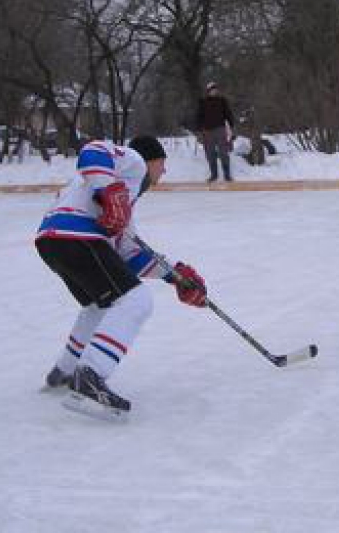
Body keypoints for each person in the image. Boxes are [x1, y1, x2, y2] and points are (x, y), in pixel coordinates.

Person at [35, 134, 209, 418]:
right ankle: (90, 376)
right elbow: (92, 150)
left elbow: (129, 253)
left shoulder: (121, 196)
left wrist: (175, 275)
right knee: (137, 300)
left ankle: (64, 370)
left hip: (51, 241)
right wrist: (110, 190)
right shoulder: (134, 163)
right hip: (77, 236)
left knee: (101, 305)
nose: (163, 172)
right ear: (150, 160)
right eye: (162, 163)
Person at [195, 81, 235, 183]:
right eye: (212, 90)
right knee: (210, 153)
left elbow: (228, 114)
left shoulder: (222, 100)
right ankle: (214, 174)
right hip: (207, 131)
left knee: (223, 153)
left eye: (215, 89)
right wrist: (199, 130)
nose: (214, 91)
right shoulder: (203, 102)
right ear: (208, 91)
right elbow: (199, 117)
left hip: (220, 129)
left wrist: (231, 125)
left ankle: (227, 174)